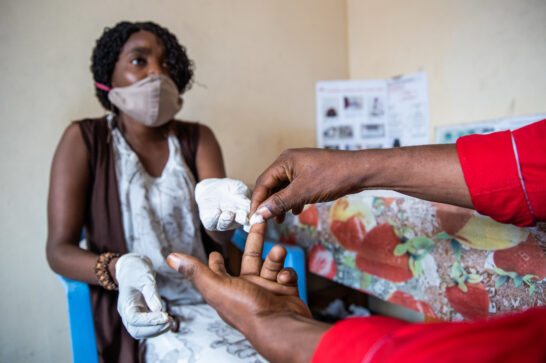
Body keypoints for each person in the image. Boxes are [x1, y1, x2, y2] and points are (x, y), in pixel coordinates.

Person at [167, 119, 546, 362]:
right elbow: (521, 166)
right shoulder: (103, 146)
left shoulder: (197, 138)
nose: (156, 74)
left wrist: (278, 329)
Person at [46, 21, 258, 363]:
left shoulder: (197, 139)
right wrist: (119, 267)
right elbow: (58, 250)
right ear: (108, 76)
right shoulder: (85, 141)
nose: (157, 72)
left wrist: (222, 218)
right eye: (138, 61)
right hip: (135, 312)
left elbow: (219, 241)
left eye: (166, 63)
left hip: (210, 299)